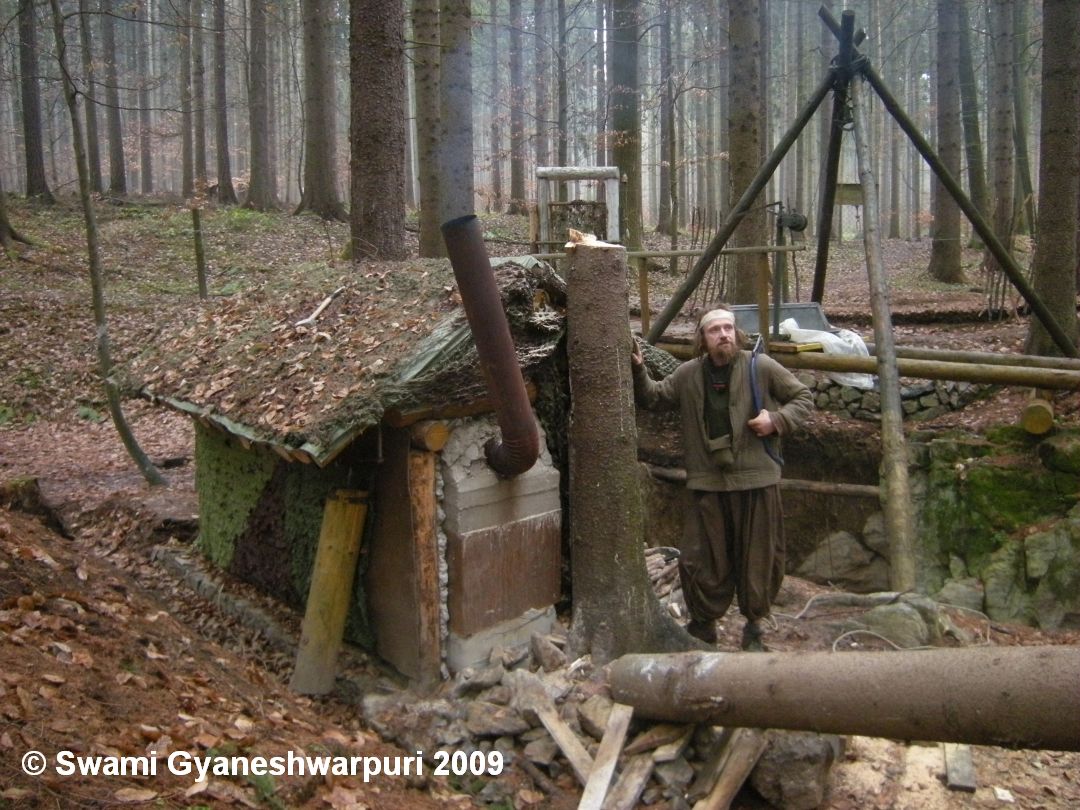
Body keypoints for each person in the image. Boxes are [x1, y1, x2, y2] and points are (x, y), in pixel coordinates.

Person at [631, 306, 813, 651]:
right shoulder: (688, 375)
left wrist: (776, 420)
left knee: (758, 557)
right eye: (715, 330)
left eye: (728, 328)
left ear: (737, 333)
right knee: (700, 557)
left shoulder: (761, 368)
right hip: (707, 483)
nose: (724, 335)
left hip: (757, 481)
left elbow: (803, 397)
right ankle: (703, 625)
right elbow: (653, 397)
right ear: (703, 338)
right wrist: (639, 369)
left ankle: (755, 627)